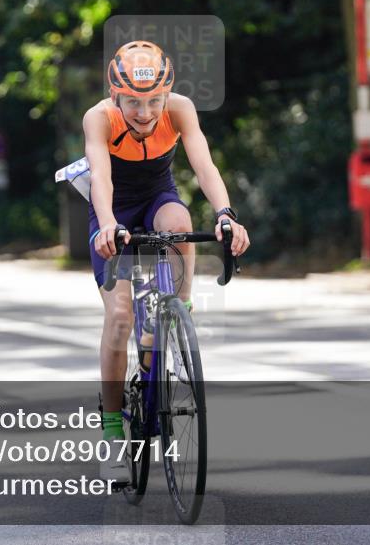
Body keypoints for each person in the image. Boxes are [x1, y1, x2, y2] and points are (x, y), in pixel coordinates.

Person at [83, 41, 251, 482]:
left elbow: (204, 164)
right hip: (113, 210)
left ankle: (182, 305)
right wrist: (105, 225)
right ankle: (113, 432)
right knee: (120, 316)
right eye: (134, 102)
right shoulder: (99, 118)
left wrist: (226, 214)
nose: (144, 111)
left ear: (167, 94)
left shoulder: (180, 110)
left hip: (158, 197)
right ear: (115, 95)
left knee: (178, 219)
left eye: (153, 100)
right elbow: (100, 177)